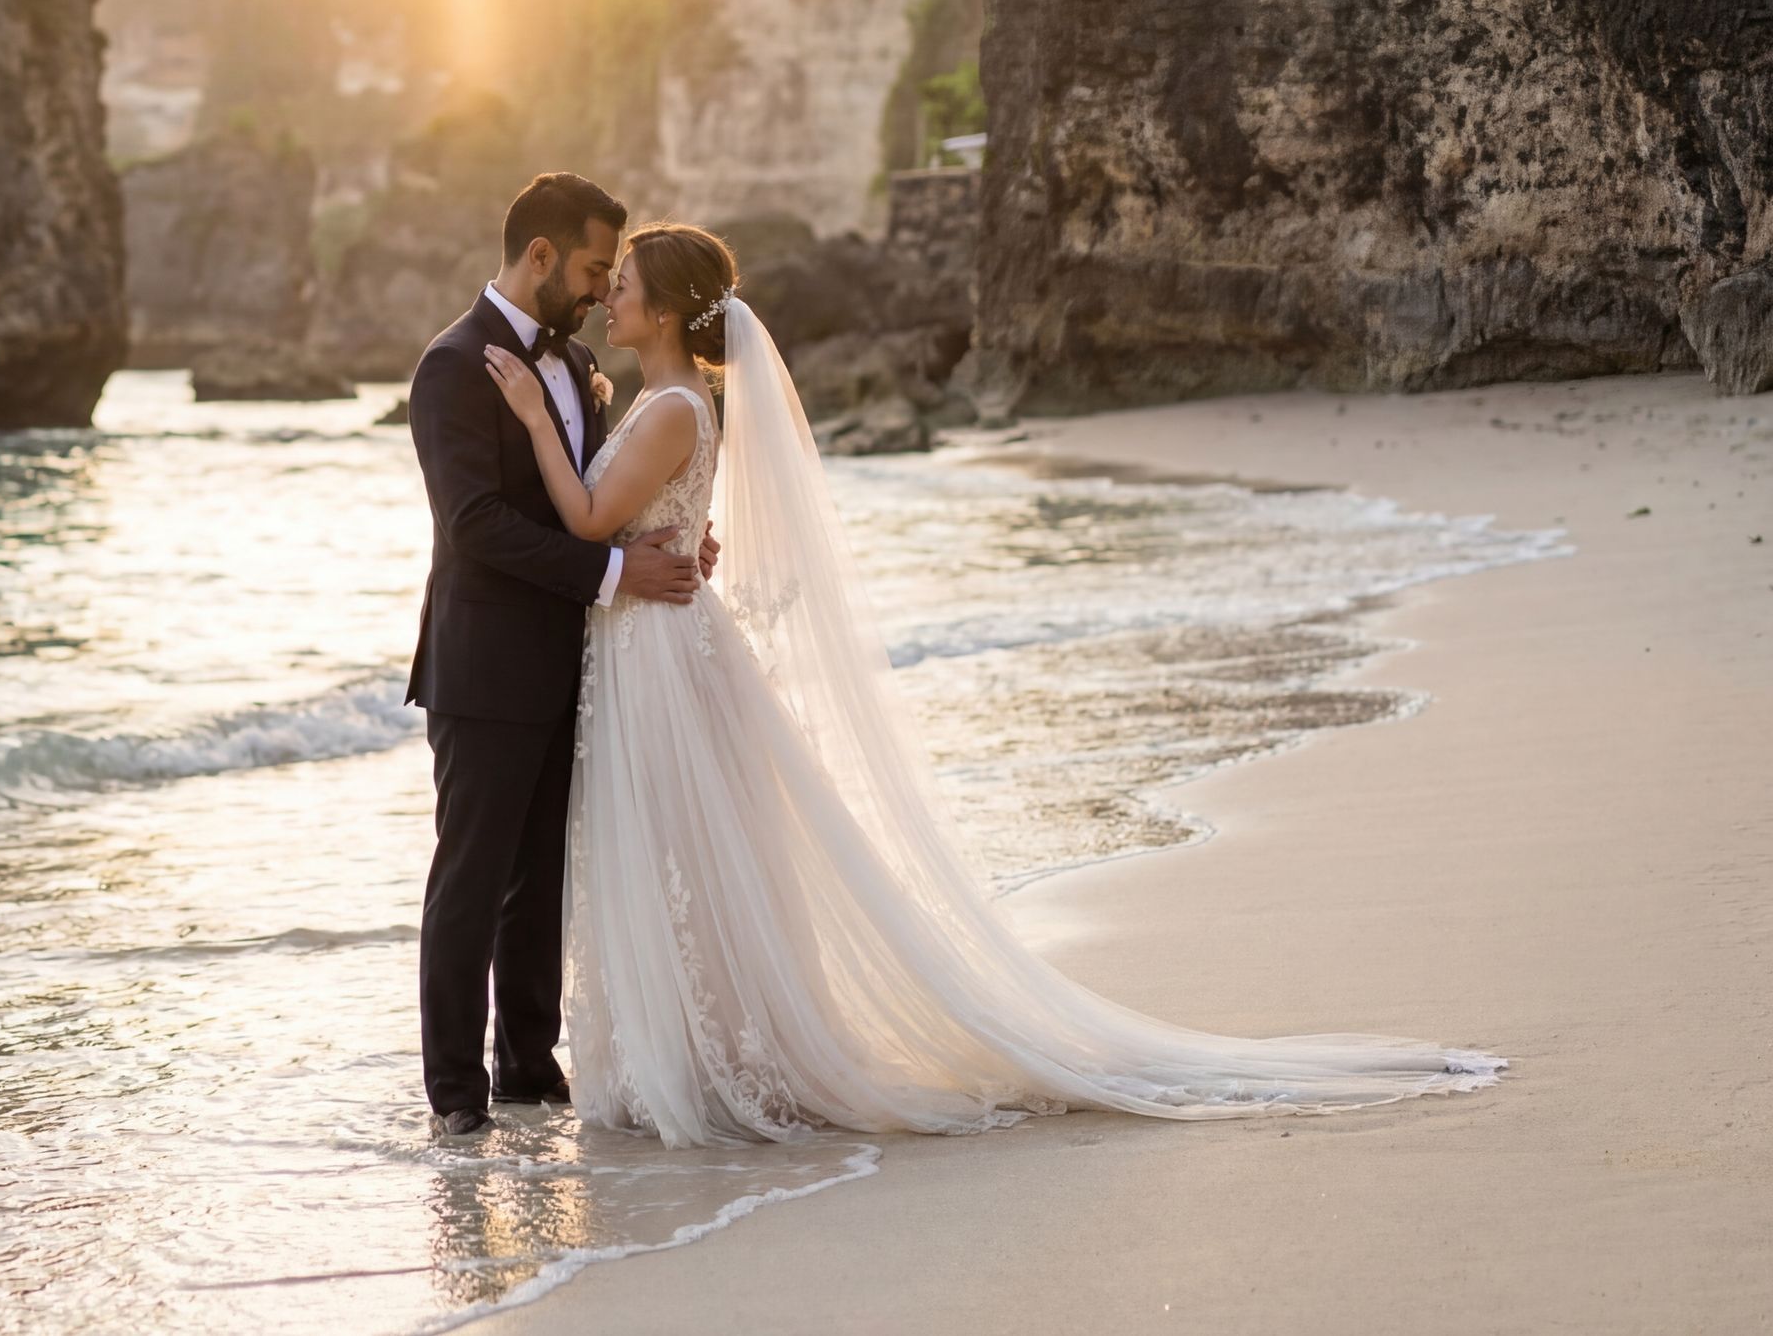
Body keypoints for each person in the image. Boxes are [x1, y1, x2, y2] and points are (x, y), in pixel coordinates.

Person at [473, 219, 1500, 1147]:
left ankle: (708, 1060)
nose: (610, 297)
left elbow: (590, 521)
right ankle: (690, 1051)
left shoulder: (671, 408)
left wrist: (532, 419)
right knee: (678, 855)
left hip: (661, 654)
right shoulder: (666, 402)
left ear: (664, 309)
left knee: (677, 852)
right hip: (652, 643)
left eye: (625, 284)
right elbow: (642, 521)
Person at [402, 173, 713, 1137]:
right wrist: (618, 570)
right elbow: (475, 524)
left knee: (541, 878)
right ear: (539, 255)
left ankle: (529, 1070)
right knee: (472, 878)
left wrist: (666, 535)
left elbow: (598, 496)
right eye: (589, 268)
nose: (598, 289)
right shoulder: (451, 366)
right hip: (484, 667)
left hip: (576, 662)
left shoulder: (576, 365)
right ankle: (457, 1096)